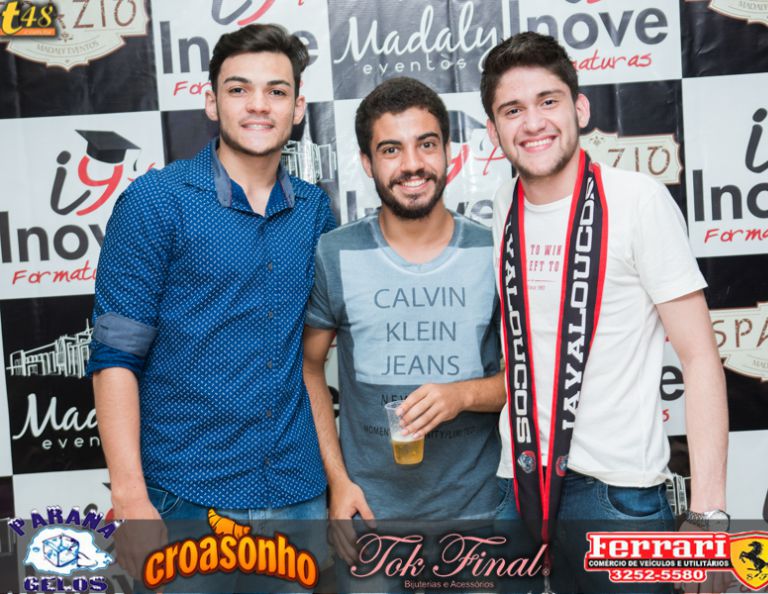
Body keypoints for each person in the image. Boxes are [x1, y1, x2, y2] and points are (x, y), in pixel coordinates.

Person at [87, 23, 335, 587]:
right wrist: (130, 497)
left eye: (276, 91)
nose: (258, 105)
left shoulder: (315, 211)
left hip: (297, 497)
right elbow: (115, 355)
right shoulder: (156, 201)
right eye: (239, 88)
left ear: (297, 109)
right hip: (185, 500)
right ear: (210, 101)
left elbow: (314, 357)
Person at [481, 32, 728, 592]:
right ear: (494, 132)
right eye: (512, 110)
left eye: (548, 101)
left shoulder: (638, 200)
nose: (533, 122)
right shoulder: (504, 205)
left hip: (618, 495)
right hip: (517, 483)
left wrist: (709, 514)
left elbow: (699, 357)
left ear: (580, 109)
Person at [302, 77, 507, 563]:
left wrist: (461, 396)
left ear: (449, 153)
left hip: (480, 515)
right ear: (366, 163)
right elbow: (309, 367)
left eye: (426, 145)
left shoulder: (495, 249)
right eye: (391, 150)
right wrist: (338, 482)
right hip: (370, 516)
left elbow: (531, 381)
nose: (412, 164)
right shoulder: (334, 252)